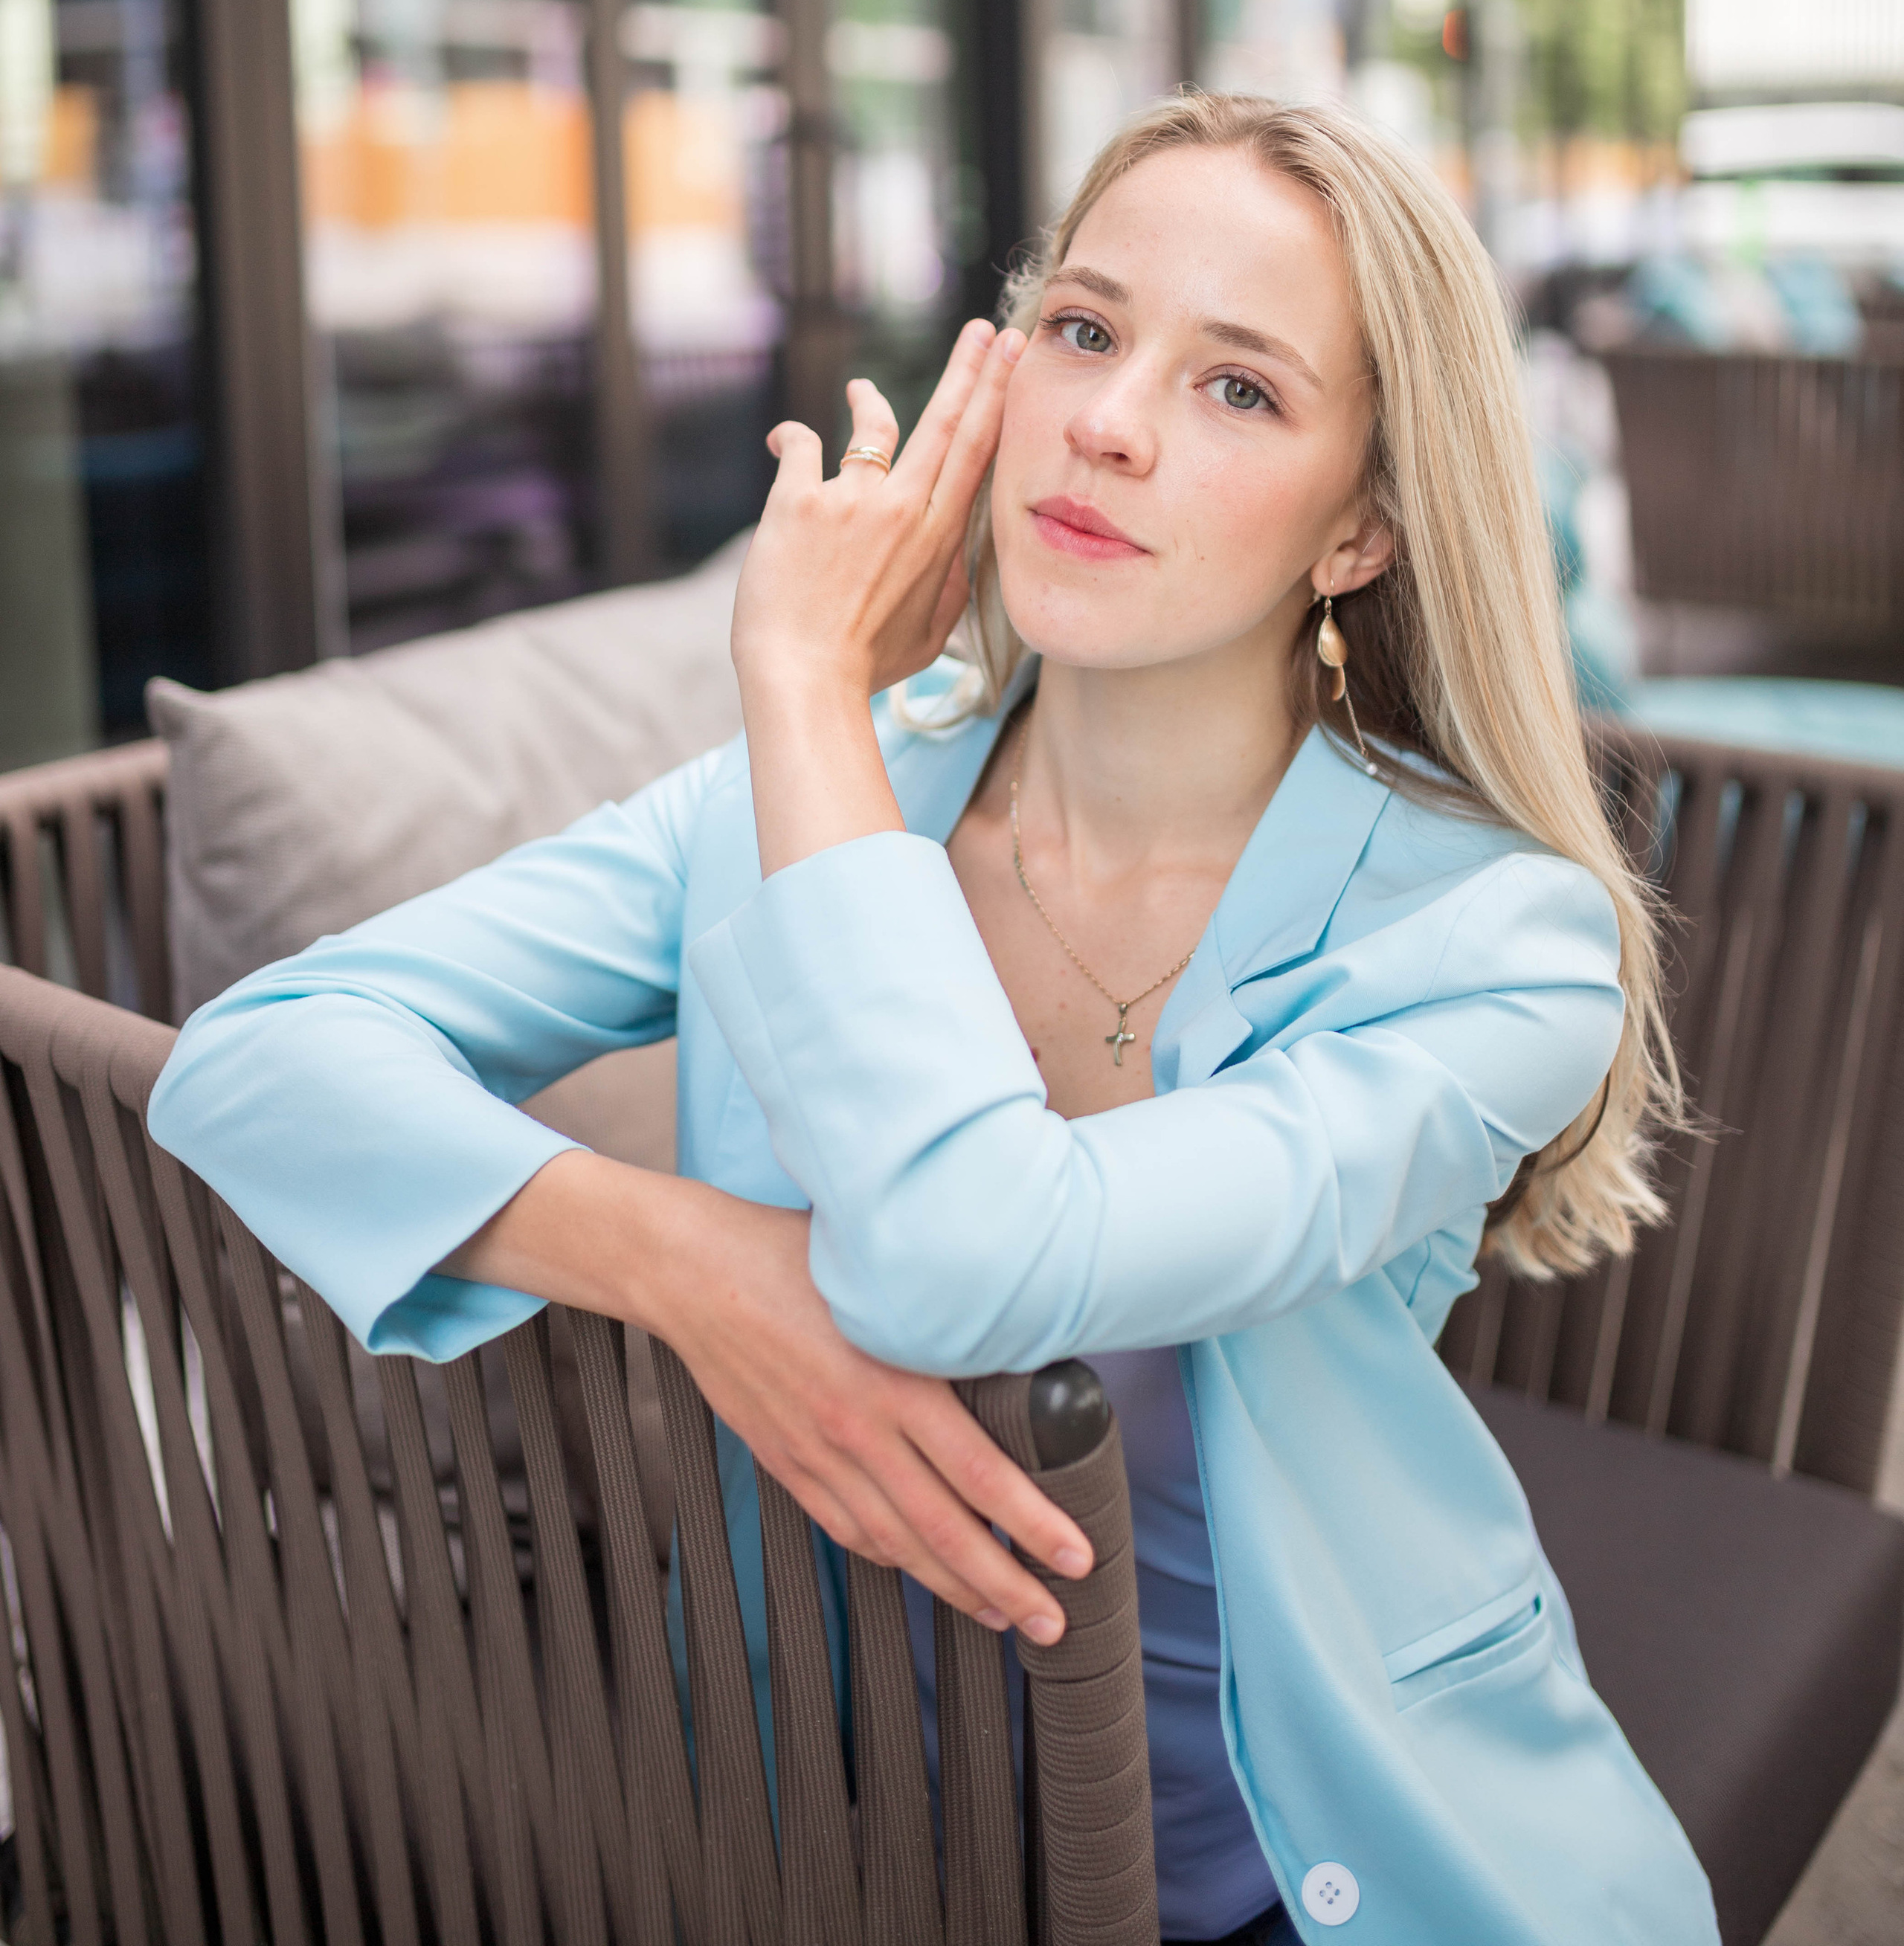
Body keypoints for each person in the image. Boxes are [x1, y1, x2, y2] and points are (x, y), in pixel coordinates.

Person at [149, 94, 1720, 1945]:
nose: (1109, 423)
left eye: (1238, 389)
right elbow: (256, 1051)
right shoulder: (806, 799)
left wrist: (807, 684)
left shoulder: (1491, 936)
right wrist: (687, 1265)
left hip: (1315, 1861)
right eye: (1083, 327)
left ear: (1360, 529)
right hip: (824, 1839)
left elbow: (962, 1263)